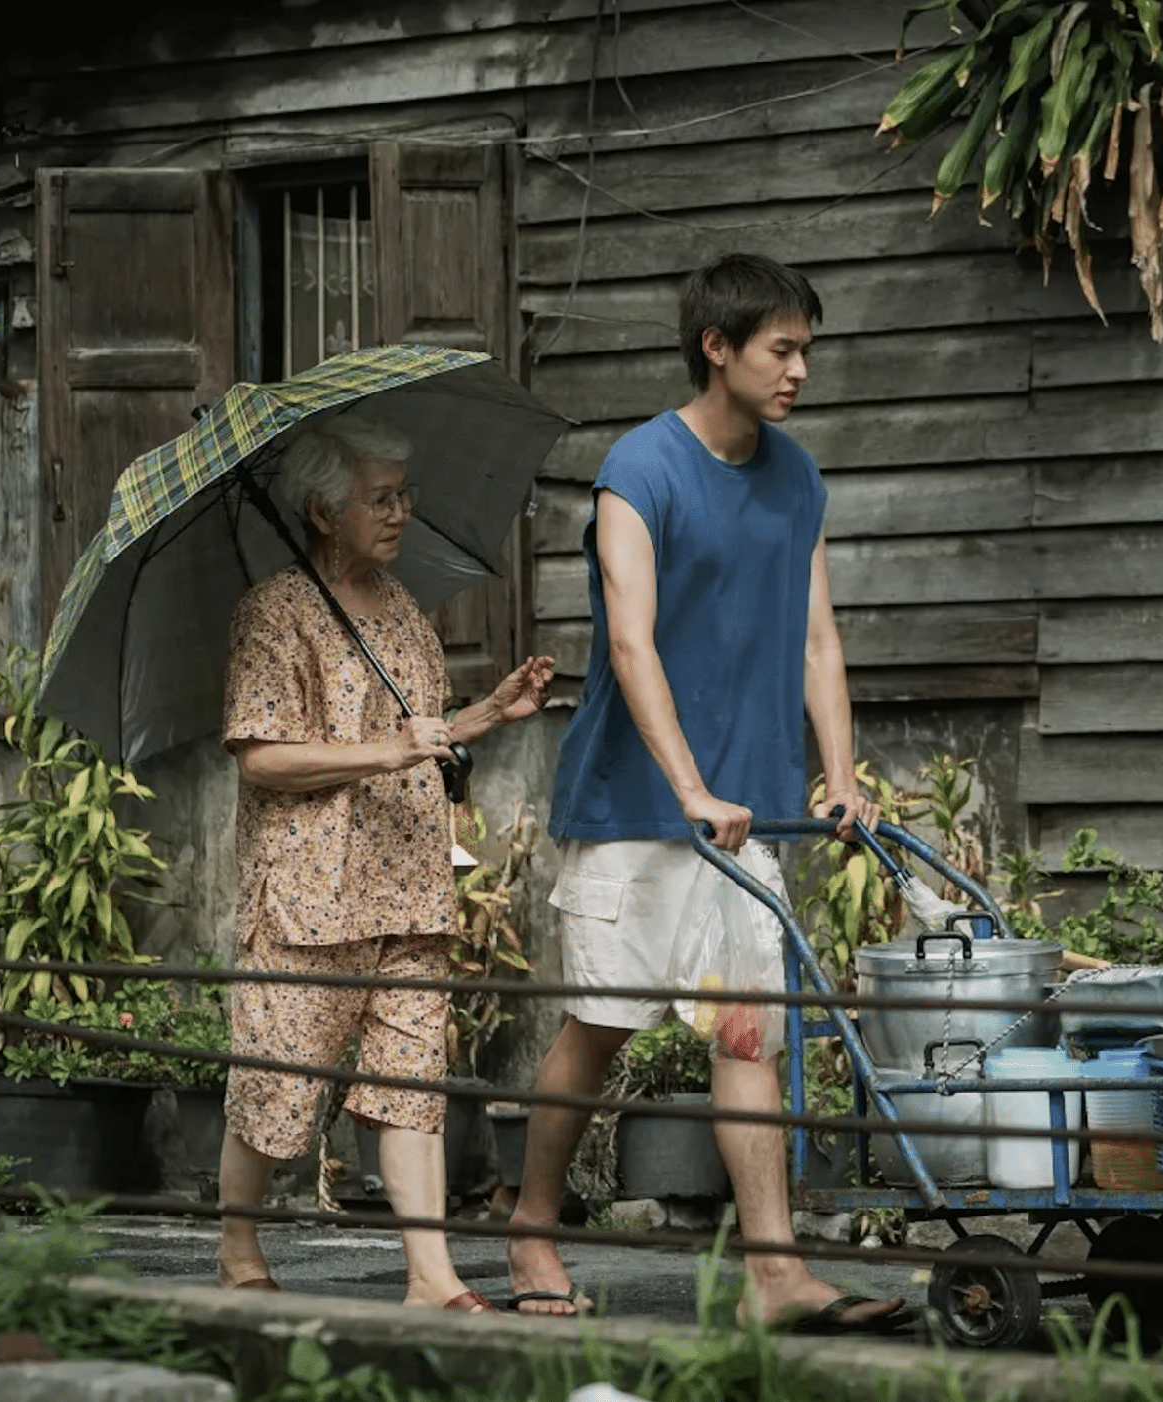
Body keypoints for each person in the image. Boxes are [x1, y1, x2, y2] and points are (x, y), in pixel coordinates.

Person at [505, 254, 906, 1333]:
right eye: (782, 349)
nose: (800, 371)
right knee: (598, 1031)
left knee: (747, 1039)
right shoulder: (638, 471)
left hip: (748, 815)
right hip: (637, 814)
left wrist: (839, 775)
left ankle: (773, 1277)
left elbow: (819, 637)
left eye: (806, 350)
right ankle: (531, 1224)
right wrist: (687, 785)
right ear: (715, 348)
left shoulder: (796, 477)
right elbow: (628, 643)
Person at [216, 417, 555, 1310]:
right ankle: (237, 1243)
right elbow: (260, 757)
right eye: (381, 497)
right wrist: (381, 752)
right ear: (325, 511)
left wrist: (486, 715)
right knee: (278, 1084)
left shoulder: (405, 611)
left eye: (405, 494)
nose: (401, 511)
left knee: (411, 1087)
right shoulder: (272, 615)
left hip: (408, 885)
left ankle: (431, 1278)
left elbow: (422, 737)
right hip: (309, 894)